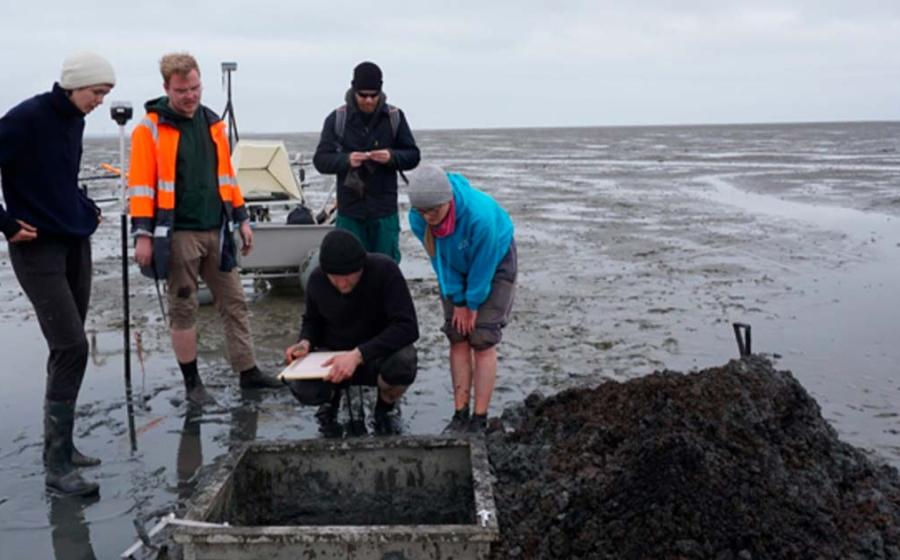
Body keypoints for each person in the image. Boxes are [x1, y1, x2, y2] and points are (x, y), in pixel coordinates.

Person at [129, 52, 280, 406]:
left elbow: (227, 178)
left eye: (195, 88)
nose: (190, 96)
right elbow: (140, 187)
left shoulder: (214, 124)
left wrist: (242, 219)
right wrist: (143, 237)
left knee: (236, 303)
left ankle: (248, 373)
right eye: (182, 90)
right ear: (167, 88)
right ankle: (192, 383)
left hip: (219, 231)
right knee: (184, 308)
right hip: (177, 234)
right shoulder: (148, 129)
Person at [0, 52, 116, 496]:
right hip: (36, 248)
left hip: (74, 241)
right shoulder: (26, 117)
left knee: (68, 346)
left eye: (105, 94)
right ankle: (56, 468)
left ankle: (62, 447)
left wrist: (85, 208)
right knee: (71, 346)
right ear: (74, 85)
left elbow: (61, 178)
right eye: (97, 93)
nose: (100, 102)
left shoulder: (75, 120)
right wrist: (7, 224)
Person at [407, 164, 517, 433]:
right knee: (457, 335)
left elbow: (484, 265)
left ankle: (479, 418)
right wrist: (457, 300)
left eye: (434, 210)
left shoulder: (479, 217)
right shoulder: (418, 218)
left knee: (482, 338)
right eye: (423, 211)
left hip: (495, 262)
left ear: (448, 200)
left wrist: (473, 303)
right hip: (452, 265)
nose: (429, 217)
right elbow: (439, 259)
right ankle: (460, 413)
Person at [283, 229, 419, 436]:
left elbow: (408, 327)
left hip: (376, 354)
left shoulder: (385, 270)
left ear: (361, 267)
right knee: (303, 387)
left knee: (405, 361)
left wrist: (358, 355)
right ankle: (330, 399)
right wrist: (305, 343)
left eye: (349, 276)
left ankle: (386, 405)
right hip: (333, 356)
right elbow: (312, 321)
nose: (342, 284)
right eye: (335, 278)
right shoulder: (317, 279)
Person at [313, 61, 420, 262]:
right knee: (348, 266)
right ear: (353, 90)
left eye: (374, 95)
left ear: (381, 91)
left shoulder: (394, 117)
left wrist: (391, 157)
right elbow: (320, 160)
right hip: (350, 212)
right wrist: (346, 160)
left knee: (386, 268)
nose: (369, 100)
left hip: (384, 212)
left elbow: (413, 155)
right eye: (363, 95)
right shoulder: (337, 119)